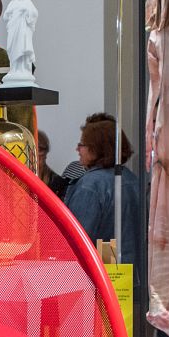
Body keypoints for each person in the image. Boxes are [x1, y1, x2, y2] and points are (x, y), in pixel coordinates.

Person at [63, 115, 141, 268]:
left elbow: (77, 240)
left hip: (102, 272)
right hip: (134, 272)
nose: (77, 149)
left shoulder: (90, 185)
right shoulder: (131, 179)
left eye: (82, 144)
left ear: (96, 149)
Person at [35, 130, 68, 199]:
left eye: (39, 149)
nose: (34, 153)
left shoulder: (58, 183)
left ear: (46, 152)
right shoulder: (16, 177)